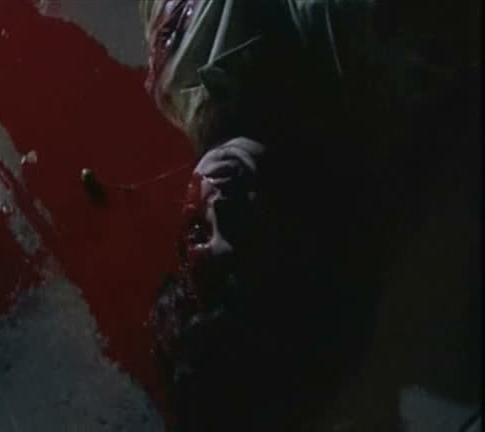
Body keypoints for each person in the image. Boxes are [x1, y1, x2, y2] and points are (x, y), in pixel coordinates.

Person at [141, 1, 481, 430]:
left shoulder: (177, 93)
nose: (221, 210)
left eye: (197, 236)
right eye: (249, 251)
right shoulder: (366, 36)